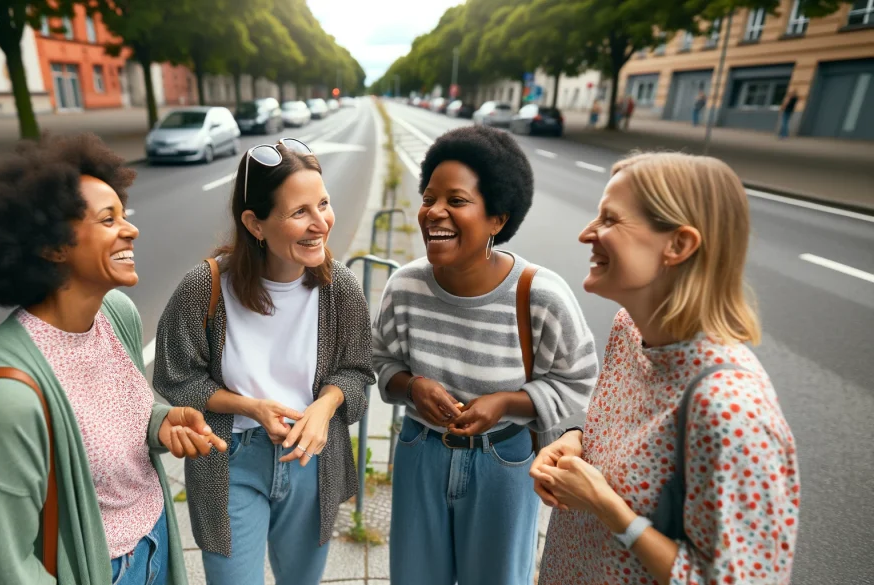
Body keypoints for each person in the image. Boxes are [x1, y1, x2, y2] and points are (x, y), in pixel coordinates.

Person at [0, 133, 225, 585]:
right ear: (53, 247)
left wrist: (160, 423)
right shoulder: (3, 399)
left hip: (156, 541)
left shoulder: (117, 315)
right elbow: (2, 566)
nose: (131, 229)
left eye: (124, 214)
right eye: (108, 218)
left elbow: (113, 414)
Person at [533, 152, 799, 585]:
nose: (587, 233)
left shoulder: (732, 410)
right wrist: (578, 440)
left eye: (610, 220)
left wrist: (606, 506)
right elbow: (631, 438)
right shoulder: (630, 330)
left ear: (677, 245)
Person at [372, 125, 599, 585]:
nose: (434, 212)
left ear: (498, 218)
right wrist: (411, 385)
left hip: (505, 462)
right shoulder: (406, 287)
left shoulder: (542, 296)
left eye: (456, 201)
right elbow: (381, 361)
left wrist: (507, 403)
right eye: (429, 197)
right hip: (421, 454)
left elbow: (578, 382)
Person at [153, 139, 375, 585]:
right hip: (231, 460)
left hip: (311, 458)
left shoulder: (340, 289)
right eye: (300, 213)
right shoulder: (205, 287)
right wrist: (251, 407)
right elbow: (175, 377)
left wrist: (324, 406)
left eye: (324, 204)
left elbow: (356, 374)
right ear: (255, 223)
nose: (321, 224)